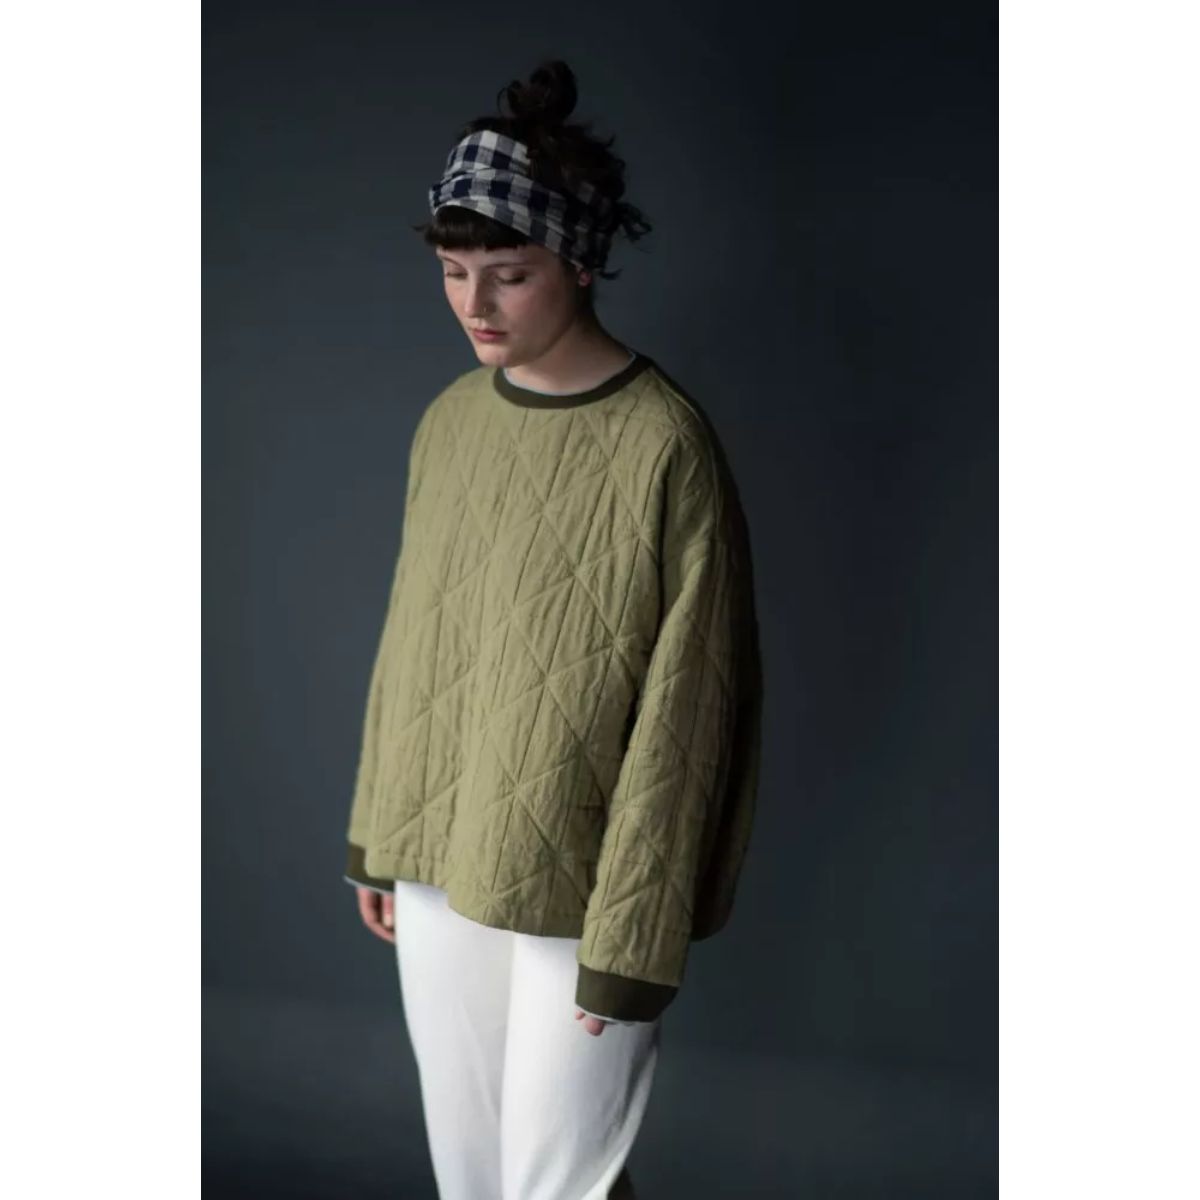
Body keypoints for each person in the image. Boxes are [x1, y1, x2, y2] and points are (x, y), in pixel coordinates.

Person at [342, 59, 764, 1200]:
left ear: (580, 261)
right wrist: (380, 836)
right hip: (438, 855)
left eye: (510, 274)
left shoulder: (663, 444)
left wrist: (634, 937)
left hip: (584, 884)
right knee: (470, 1176)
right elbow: (416, 643)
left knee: (558, 1182)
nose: (475, 305)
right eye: (453, 273)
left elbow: (689, 718)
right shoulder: (450, 422)